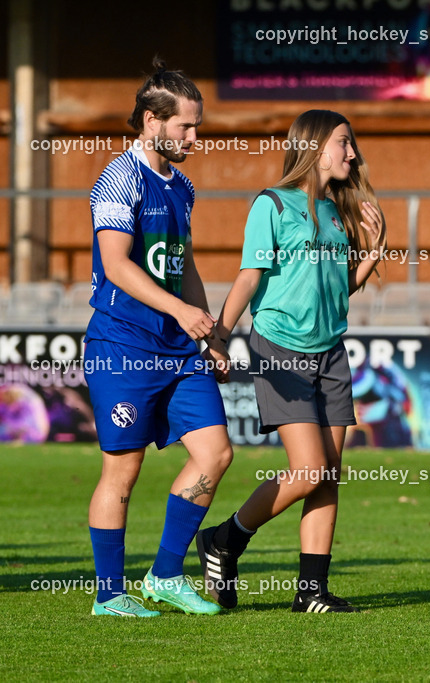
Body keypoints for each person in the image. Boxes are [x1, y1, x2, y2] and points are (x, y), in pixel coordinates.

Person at [197, 109, 385, 614]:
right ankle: (226, 538)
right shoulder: (271, 205)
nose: (352, 153)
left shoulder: (334, 211)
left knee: (329, 474)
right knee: (309, 469)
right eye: (344, 143)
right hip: (279, 349)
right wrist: (219, 337)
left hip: (331, 352)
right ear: (315, 145)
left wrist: (373, 251)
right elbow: (249, 278)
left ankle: (311, 592)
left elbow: (336, 290)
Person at [84, 59, 234, 617]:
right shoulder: (119, 178)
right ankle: (109, 594)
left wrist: (209, 331)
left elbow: (183, 263)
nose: (195, 138)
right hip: (123, 345)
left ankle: (166, 575)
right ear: (152, 121)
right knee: (122, 471)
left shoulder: (183, 186)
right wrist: (179, 310)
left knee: (215, 454)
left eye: (197, 126)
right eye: (185, 127)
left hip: (177, 348)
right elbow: (118, 267)